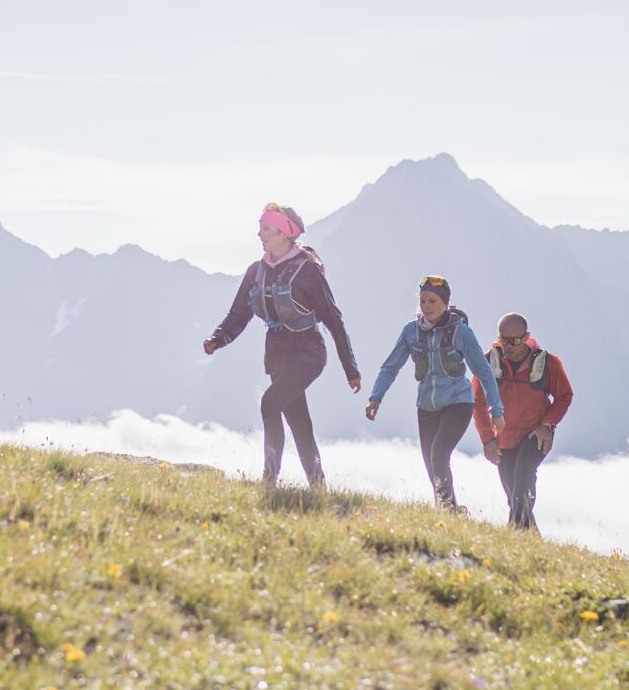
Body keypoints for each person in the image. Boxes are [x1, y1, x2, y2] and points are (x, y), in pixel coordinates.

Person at [204, 203, 360, 487]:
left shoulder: (308, 271)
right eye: (260, 228)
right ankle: (317, 485)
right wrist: (218, 339)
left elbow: (333, 320)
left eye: (266, 229)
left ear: (284, 233)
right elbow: (239, 314)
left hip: (308, 353)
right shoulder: (256, 271)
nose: (259, 234)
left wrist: (350, 369)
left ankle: (268, 480)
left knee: (269, 403)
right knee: (299, 423)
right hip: (277, 354)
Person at [365, 276, 504, 509]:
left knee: (439, 454)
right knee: (431, 463)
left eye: (433, 301)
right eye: (422, 301)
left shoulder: (461, 333)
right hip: (426, 406)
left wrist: (496, 410)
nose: (426, 307)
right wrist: (375, 397)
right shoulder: (411, 332)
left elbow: (484, 371)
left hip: (457, 402)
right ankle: (451, 510)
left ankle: (448, 511)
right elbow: (391, 366)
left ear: (445, 303)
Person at [472, 313, 574, 530]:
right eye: (503, 339)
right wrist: (487, 439)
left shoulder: (547, 364)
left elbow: (565, 395)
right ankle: (529, 539)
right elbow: (477, 401)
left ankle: (513, 532)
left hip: (535, 434)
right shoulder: (488, 363)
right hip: (503, 438)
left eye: (515, 340)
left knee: (524, 474)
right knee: (513, 496)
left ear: (526, 337)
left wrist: (547, 424)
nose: (509, 345)